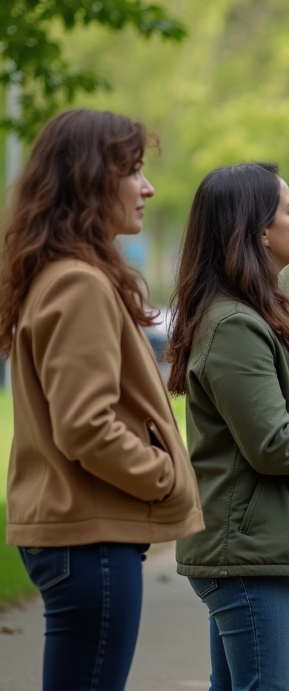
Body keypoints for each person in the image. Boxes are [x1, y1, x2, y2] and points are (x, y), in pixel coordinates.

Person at [0, 108, 204, 691]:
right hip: (90, 538)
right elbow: (85, 426)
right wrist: (163, 476)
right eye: (133, 171)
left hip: (78, 534)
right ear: (89, 179)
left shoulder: (61, 274)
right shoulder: (78, 282)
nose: (148, 187)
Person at [167, 163, 289, 690]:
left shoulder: (247, 314)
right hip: (244, 556)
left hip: (246, 551)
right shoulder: (234, 325)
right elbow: (272, 445)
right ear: (257, 229)